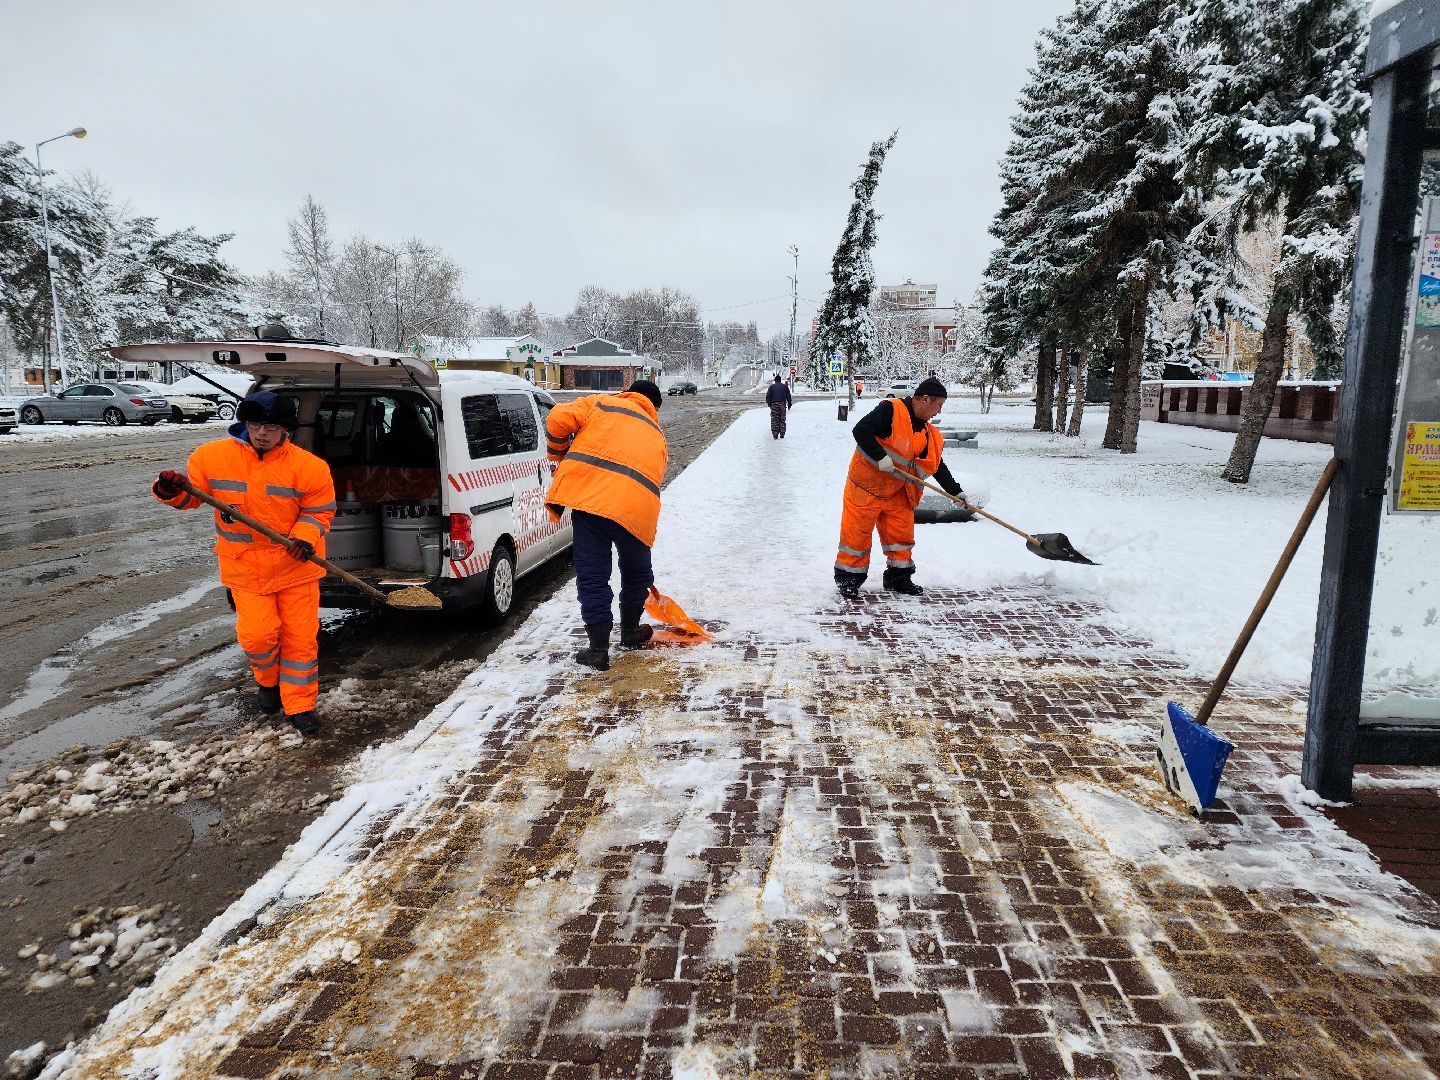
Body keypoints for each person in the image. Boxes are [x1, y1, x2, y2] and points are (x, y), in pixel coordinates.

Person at [152, 391, 336, 737]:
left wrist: (305, 539)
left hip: (296, 567)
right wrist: (168, 489)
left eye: (270, 426)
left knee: (300, 640)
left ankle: (300, 705)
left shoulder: (309, 467)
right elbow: (189, 499)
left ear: (285, 429)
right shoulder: (211, 457)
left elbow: (319, 511)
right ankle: (268, 682)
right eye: (255, 424)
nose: (261, 432)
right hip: (245, 569)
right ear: (244, 423)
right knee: (257, 637)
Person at [544, 379, 669, 672]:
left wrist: (558, 455)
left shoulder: (600, 403)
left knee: (593, 575)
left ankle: (598, 650)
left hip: (590, 503)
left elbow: (557, 418)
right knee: (637, 573)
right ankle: (629, 634)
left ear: (627, 393)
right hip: (636, 510)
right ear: (654, 407)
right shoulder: (657, 434)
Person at [834, 376, 965, 599]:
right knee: (856, 537)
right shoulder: (891, 410)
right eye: (939, 405)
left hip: (898, 493)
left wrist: (955, 491)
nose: (939, 412)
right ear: (925, 399)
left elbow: (936, 464)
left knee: (901, 539)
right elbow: (861, 430)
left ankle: (898, 579)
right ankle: (849, 580)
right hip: (865, 488)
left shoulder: (928, 434)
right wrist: (880, 457)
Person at [765, 373, 793, 439]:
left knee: (775, 420)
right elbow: (788, 396)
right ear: (780, 380)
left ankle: (775, 434)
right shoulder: (784, 386)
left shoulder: (771, 387)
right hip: (782, 405)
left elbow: (768, 397)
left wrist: (770, 404)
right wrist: (789, 404)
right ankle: (782, 433)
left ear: (775, 380)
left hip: (774, 405)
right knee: (782, 419)